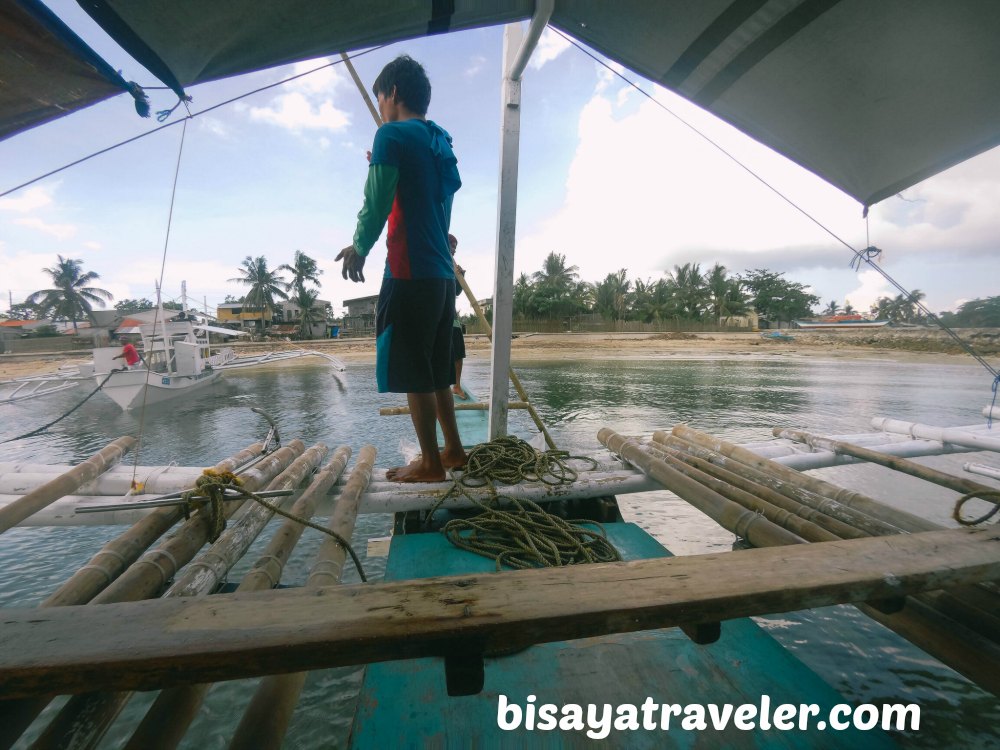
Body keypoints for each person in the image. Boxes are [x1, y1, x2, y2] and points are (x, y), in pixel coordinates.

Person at [336, 55, 467, 483]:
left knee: (414, 369)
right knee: (438, 369)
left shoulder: (391, 134)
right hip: (443, 276)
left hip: (410, 271)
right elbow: (433, 201)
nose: (379, 108)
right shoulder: (439, 140)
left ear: (392, 93)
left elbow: (376, 201)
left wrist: (359, 246)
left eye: (380, 98)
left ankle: (430, 464)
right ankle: (453, 450)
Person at [448, 233, 468, 399]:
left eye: (455, 247)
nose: (454, 249)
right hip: (436, 318)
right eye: (451, 246)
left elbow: (456, 291)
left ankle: (457, 385)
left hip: (451, 317)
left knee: (458, 353)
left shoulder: (454, 267)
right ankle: (437, 387)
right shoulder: (435, 261)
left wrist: (460, 276)